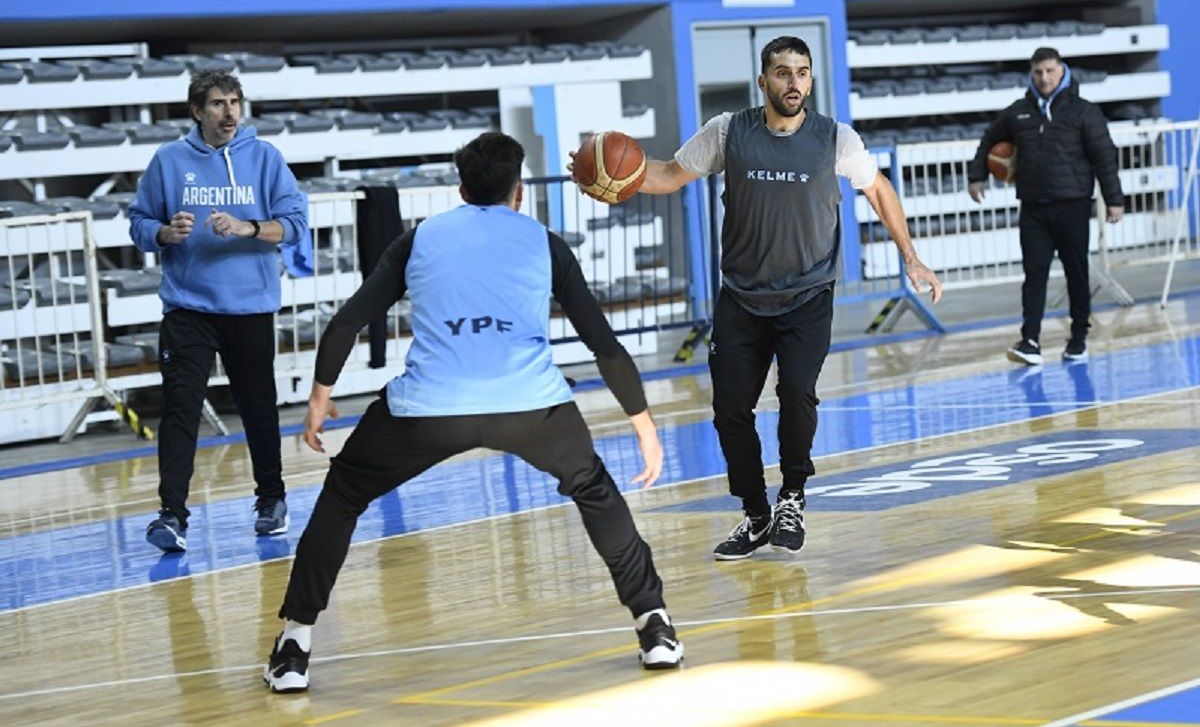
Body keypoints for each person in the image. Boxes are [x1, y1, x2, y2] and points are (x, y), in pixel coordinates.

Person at [262, 132, 683, 693]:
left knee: (343, 495)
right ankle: (653, 624)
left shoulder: (420, 238)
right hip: (530, 405)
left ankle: (295, 644)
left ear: (461, 189)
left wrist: (319, 399)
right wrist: (644, 425)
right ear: (520, 191)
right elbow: (603, 344)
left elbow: (345, 324)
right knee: (594, 489)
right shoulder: (544, 242)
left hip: (430, 408)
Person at [578, 35, 942, 562]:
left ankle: (792, 494)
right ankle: (754, 514)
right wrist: (605, 176)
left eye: (801, 72)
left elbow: (879, 189)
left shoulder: (835, 139)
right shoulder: (728, 131)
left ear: (810, 80)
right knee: (730, 410)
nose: (792, 82)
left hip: (808, 296)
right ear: (763, 80)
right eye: (781, 72)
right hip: (742, 298)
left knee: (797, 392)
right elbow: (667, 175)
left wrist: (911, 255)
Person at [128, 70, 309, 552]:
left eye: (234, 102)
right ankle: (172, 515)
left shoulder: (266, 158)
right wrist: (164, 233)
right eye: (217, 104)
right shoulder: (168, 160)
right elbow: (138, 221)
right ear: (196, 111)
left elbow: (295, 225)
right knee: (180, 409)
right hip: (188, 308)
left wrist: (248, 228)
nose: (229, 112)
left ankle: (271, 500)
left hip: (249, 307)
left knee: (257, 408)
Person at [967, 46, 1124, 366]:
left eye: (1050, 71)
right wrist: (977, 175)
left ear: (1062, 70)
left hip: (1073, 204)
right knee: (1034, 274)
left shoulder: (1084, 111)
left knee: (1076, 273)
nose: (1044, 77)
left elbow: (1105, 157)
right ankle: (1030, 340)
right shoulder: (1018, 111)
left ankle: (1079, 338)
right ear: (1031, 73)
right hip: (1034, 207)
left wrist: (1115, 199)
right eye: (1038, 72)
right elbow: (989, 139)